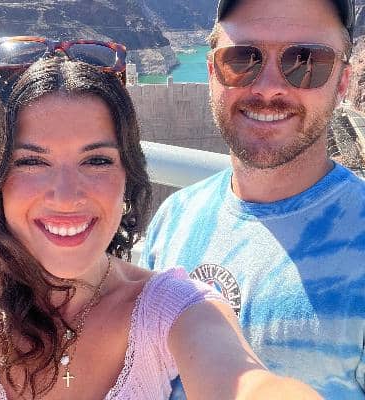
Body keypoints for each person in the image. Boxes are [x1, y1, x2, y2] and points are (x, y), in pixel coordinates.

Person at [0, 37, 321, 400]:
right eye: (31, 161)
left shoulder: (173, 309)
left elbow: (245, 384)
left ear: (127, 174)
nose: (67, 196)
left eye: (97, 160)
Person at [139, 0, 365, 399]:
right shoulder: (173, 220)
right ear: (212, 72)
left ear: (343, 83)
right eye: (242, 59)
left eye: (306, 61)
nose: (268, 87)